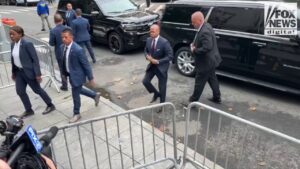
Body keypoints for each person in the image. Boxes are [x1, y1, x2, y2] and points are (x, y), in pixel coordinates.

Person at [10, 26, 55, 118]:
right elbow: (13, 59)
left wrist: (38, 74)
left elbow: (35, 59)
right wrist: (14, 72)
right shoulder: (13, 44)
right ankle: (29, 110)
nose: (11, 36)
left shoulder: (27, 44)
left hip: (29, 72)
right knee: (20, 91)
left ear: (20, 34)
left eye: (13, 34)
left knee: (37, 90)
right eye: (10, 34)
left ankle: (50, 105)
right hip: (19, 73)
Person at [61, 28, 100, 123]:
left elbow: (86, 64)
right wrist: (64, 75)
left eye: (65, 37)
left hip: (77, 76)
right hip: (70, 75)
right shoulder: (62, 47)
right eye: (62, 37)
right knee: (78, 90)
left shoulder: (78, 50)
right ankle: (95, 95)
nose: (63, 39)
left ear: (71, 37)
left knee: (75, 94)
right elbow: (64, 62)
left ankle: (76, 113)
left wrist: (90, 78)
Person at [189, 11, 222, 104]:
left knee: (199, 82)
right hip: (211, 61)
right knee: (212, 79)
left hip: (205, 63)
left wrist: (195, 50)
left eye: (194, 22)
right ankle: (217, 97)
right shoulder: (207, 25)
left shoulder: (204, 31)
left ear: (199, 20)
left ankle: (193, 101)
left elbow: (207, 47)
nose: (193, 24)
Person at [142, 24, 173, 104]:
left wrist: (159, 61)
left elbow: (170, 56)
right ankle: (156, 94)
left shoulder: (164, 42)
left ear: (158, 31)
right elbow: (146, 50)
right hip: (152, 66)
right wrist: (147, 56)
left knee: (162, 88)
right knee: (145, 81)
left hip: (161, 68)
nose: (151, 33)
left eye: (153, 31)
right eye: (150, 31)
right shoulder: (148, 40)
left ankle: (162, 104)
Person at [49, 13, 69, 91]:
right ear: (62, 20)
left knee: (62, 69)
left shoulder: (53, 31)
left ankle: (65, 85)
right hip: (69, 51)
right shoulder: (68, 28)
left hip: (60, 53)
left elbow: (52, 43)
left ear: (54, 21)